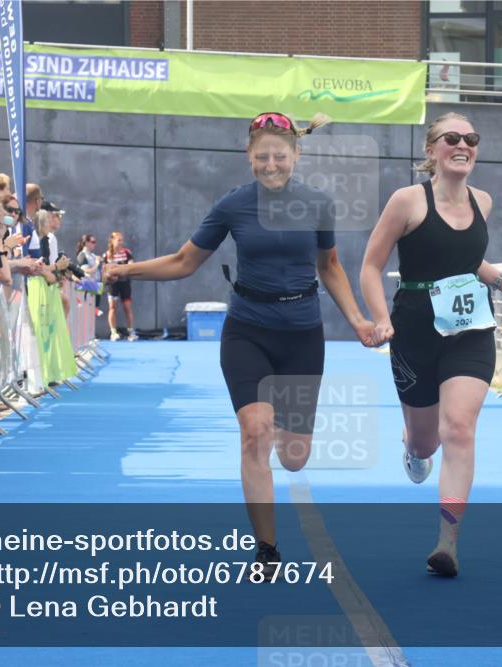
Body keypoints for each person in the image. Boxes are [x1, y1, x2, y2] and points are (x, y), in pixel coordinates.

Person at [103, 111, 376, 572]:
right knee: (254, 434)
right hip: (247, 331)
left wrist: (359, 320)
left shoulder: (317, 204)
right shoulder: (232, 206)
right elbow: (185, 262)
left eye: (280, 156)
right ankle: (266, 549)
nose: (272, 165)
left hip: (302, 336)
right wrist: (127, 270)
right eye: (262, 157)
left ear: (297, 155)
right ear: (248, 156)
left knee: (293, 457)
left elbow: (329, 265)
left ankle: (288, 465)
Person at [360, 112, 502, 577]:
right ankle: (413, 448)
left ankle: (447, 542)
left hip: (470, 331)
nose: (463, 145)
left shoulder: (484, 202)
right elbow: (371, 266)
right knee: (427, 442)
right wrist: (379, 318)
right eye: (452, 138)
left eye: (471, 138)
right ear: (431, 150)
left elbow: (467, 260)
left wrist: (498, 277)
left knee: (459, 428)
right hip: (413, 330)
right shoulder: (407, 201)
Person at [103, 231, 136, 341]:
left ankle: (131, 332)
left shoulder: (127, 252)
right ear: (112, 241)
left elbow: (131, 265)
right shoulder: (107, 255)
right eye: (119, 240)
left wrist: (124, 268)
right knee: (112, 307)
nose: (121, 242)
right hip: (113, 285)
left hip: (125, 283)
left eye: (122, 240)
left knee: (127, 307)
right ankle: (113, 332)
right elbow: (104, 271)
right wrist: (110, 276)